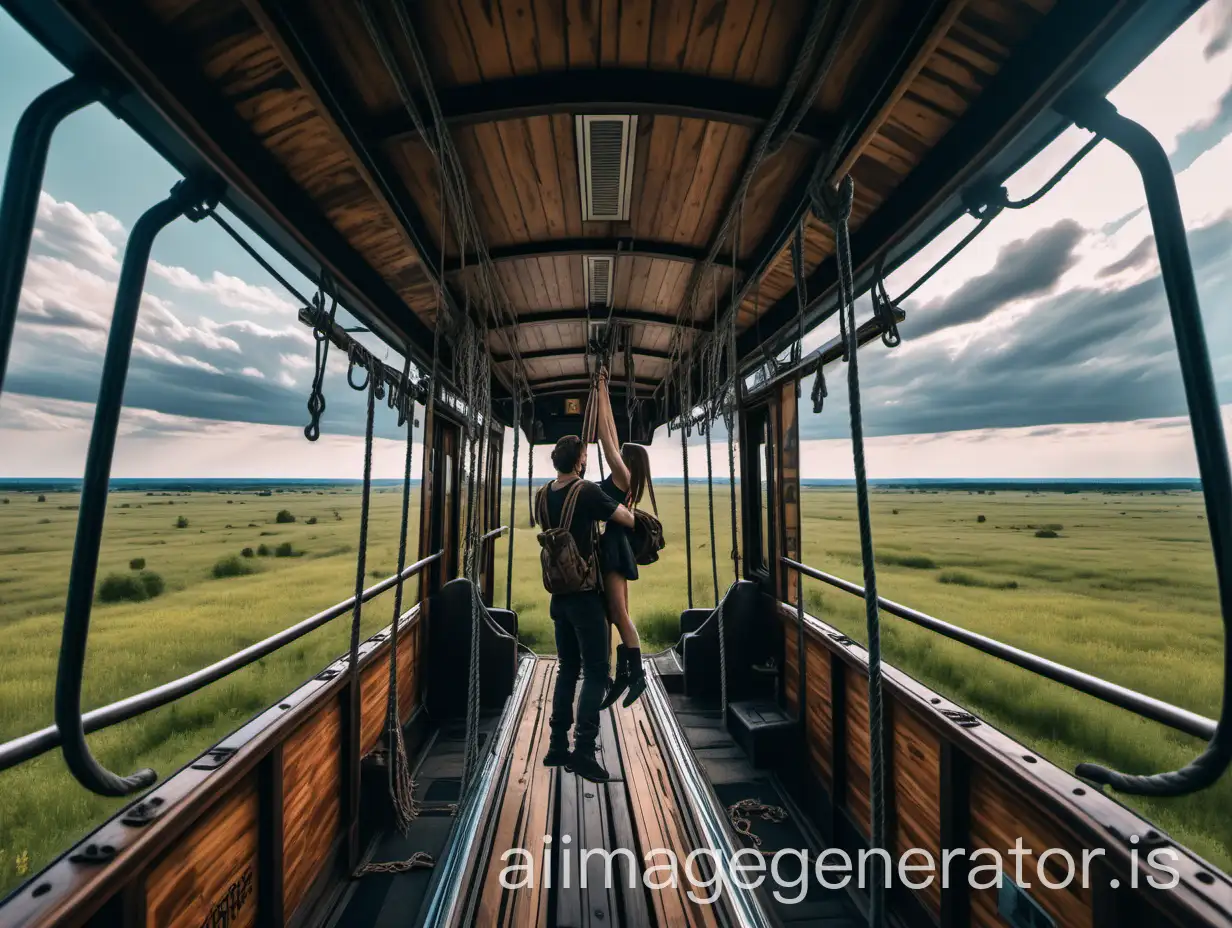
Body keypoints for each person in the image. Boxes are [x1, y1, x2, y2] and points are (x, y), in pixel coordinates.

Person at [540, 433, 634, 783]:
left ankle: (556, 746)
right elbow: (625, 520)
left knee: (567, 669)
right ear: (580, 459)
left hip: (558, 598)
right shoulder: (587, 491)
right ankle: (583, 751)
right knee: (596, 673)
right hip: (585, 597)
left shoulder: (543, 494)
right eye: (584, 457)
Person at [593, 370, 652, 709]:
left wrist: (600, 390)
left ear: (626, 460)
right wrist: (601, 385)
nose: (616, 450)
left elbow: (605, 439)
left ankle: (637, 675)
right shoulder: (625, 478)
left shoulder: (622, 475)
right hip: (617, 547)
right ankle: (623, 674)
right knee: (617, 613)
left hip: (614, 550)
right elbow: (612, 434)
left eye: (620, 452)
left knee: (618, 614)